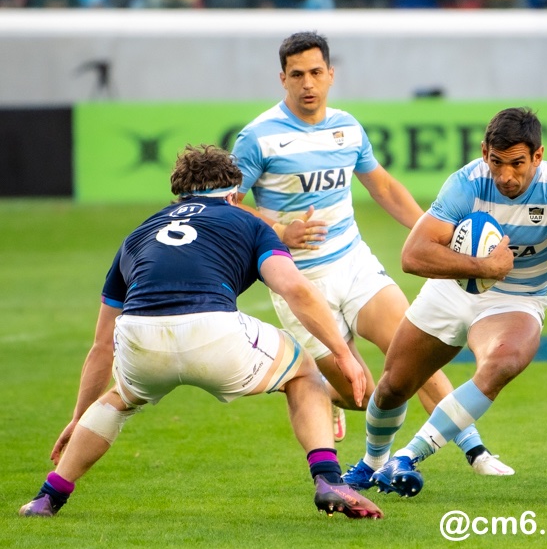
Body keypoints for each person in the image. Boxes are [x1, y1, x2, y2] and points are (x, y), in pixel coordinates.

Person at [19, 144, 382, 519]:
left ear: (179, 191)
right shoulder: (249, 222)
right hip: (213, 332)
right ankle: (329, 480)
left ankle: (48, 497)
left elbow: (101, 345)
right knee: (304, 372)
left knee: (119, 398)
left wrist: (79, 419)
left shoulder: (139, 234)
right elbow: (294, 288)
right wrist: (342, 354)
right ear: (233, 191)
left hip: (141, 336)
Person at [232, 31, 513, 479]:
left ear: (330, 75)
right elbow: (228, 205)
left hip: (354, 264)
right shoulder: (258, 138)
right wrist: (282, 230)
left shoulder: (346, 127)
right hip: (299, 283)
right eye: (298, 75)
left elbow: (381, 186)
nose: (308, 84)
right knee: (359, 393)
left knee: (411, 355)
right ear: (282, 79)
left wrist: (433, 233)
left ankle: (475, 451)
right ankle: (321, 390)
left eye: (316, 73)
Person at [354, 106, 547, 497]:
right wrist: (484, 265)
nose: (505, 176)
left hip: (518, 299)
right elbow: (412, 255)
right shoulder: (466, 183)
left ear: (538, 155)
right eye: (496, 162)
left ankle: (408, 457)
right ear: (485, 152)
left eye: (517, 163)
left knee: (503, 362)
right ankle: (371, 464)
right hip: (449, 289)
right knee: (392, 388)